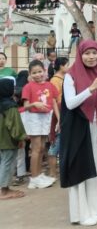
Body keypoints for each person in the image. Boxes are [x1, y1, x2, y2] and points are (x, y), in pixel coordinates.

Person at [60, 40, 97, 226]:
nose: (91, 57)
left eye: (94, 53)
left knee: (96, 168)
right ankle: (81, 213)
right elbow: (70, 103)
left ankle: (95, 209)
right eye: (87, 53)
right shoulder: (71, 75)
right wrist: (90, 89)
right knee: (80, 168)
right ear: (80, 55)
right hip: (78, 127)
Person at [22, 60, 59, 189]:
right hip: (34, 118)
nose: (37, 75)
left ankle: (38, 174)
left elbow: (54, 102)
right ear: (30, 74)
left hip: (46, 117)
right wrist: (34, 104)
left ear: (44, 71)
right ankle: (34, 178)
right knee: (36, 148)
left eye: (39, 71)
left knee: (42, 148)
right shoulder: (28, 87)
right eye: (34, 73)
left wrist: (59, 118)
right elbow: (25, 106)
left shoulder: (50, 85)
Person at [0, 77, 27, 200]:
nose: (14, 91)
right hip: (8, 140)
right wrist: (21, 138)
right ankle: (4, 190)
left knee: (4, 161)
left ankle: (4, 187)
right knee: (8, 162)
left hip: (2, 139)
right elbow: (15, 125)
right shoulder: (10, 106)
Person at [48, 57, 68, 179]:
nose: (68, 67)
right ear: (61, 66)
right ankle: (52, 173)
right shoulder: (55, 80)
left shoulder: (65, 78)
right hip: (59, 113)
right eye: (67, 65)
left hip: (65, 111)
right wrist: (58, 117)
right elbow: (54, 99)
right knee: (55, 143)